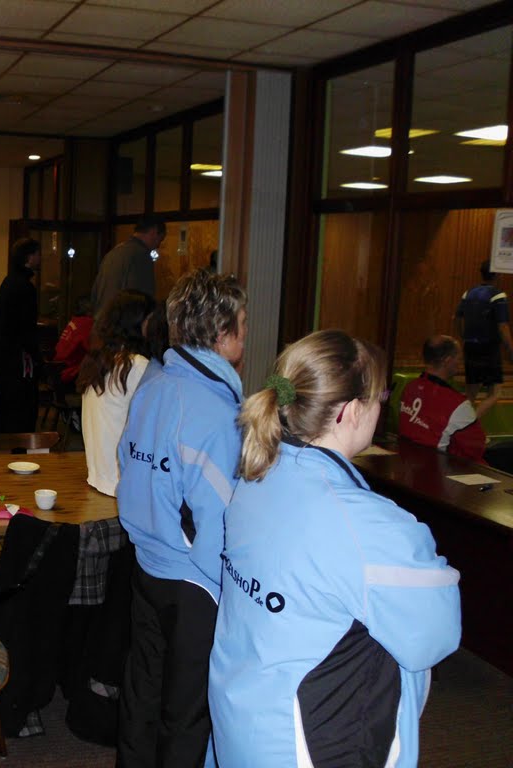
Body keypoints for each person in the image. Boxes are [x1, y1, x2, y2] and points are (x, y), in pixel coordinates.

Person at [209, 329, 462, 768]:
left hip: (241, 719)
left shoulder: (255, 478)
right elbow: (434, 638)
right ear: (351, 411)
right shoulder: (369, 527)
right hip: (307, 746)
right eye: (381, 396)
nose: (383, 406)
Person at [115, 268, 247, 768]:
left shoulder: (153, 386)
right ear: (222, 334)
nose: (246, 334)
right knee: (187, 712)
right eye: (243, 324)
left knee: (143, 692)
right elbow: (223, 519)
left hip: (146, 565)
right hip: (195, 583)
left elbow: (127, 462)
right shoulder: (217, 413)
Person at [78, 290, 153, 497]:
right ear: (139, 324)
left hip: (97, 477)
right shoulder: (137, 366)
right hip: (123, 485)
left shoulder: (97, 362)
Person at [399, 334, 489, 463]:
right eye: (458, 359)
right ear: (447, 361)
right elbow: (476, 448)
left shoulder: (409, 388)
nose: (459, 364)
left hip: (407, 464)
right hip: (436, 470)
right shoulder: (457, 404)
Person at [0, 238, 41, 433]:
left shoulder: (9, 281)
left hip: (6, 352)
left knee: (7, 403)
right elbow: (25, 326)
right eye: (38, 254)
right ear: (29, 257)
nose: (40, 258)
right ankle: (21, 441)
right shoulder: (24, 286)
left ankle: (5, 440)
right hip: (19, 355)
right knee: (22, 404)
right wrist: (36, 355)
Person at [455, 260, 513, 413]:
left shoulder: (468, 293)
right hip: (488, 348)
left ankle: (460, 423)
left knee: (470, 394)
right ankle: (470, 423)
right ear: (498, 274)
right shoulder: (498, 295)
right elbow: (503, 326)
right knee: (494, 393)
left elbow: (457, 318)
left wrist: (463, 336)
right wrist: (510, 349)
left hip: (470, 347)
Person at [90, 214, 166, 318]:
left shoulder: (113, 253)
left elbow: (95, 293)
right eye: (160, 240)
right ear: (154, 231)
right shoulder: (142, 256)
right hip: (123, 323)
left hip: (102, 320)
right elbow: (144, 301)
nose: (158, 246)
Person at [54, 296, 94, 386]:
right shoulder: (86, 323)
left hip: (57, 368)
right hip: (68, 372)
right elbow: (92, 349)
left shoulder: (74, 321)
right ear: (89, 310)